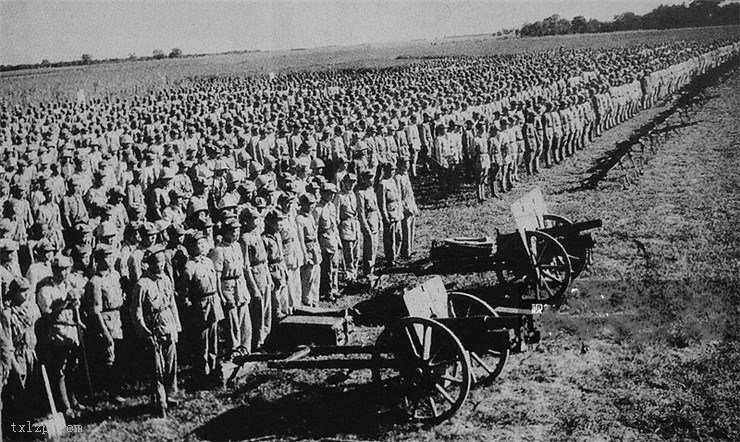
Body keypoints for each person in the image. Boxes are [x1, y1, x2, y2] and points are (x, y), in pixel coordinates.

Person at [130, 246, 181, 418]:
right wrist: (143, 331)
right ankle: (159, 402)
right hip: (153, 327)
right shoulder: (142, 284)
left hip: (168, 323)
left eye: (163, 261)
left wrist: (176, 325)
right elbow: (136, 311)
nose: (161, 265)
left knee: (170, 364)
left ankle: (170, 394)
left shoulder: (166, 279)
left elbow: (172, 303)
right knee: (156, 367)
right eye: (157, 262)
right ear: (149, 264)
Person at [36, 255, 85, 417]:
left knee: (73, 367)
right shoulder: (46, 290)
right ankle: (64, 406)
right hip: (57, 332)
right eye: (60, 269)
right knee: (60, 370)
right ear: (54, 270)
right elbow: (47, 315)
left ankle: (73, 399)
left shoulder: (68, 286)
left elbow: (75, 306)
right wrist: (64, 302)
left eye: (66, 269)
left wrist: (75, 302)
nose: (64, 273)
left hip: (72, 330)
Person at [83, 244, 125, 404]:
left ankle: (117, 388)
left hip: (117, 317)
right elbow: (95, 311)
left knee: (118, 355)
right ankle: (111, 392)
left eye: (112, 256)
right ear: (98, 260)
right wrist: (105, 331)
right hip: (105, 321)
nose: (111, 260)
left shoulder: (114, 275)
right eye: (107, 257)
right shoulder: (95, 282)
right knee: (109, 357)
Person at [181, 232, 224, 385]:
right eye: (197, 244)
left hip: (213, 302)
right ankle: (202, 373)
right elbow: (184, 293)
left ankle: (213, 369)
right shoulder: (189, 267)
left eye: (203, 244)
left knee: (214, 339)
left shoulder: (208, 262)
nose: (201, 247)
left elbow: (215, 282)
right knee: (202, 342)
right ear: (190, 247)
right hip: (200, 306)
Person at [209, 218, 251, 358]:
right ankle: (234, 351)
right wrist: (220, 295)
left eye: (238, 230)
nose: (236, 234)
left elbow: (242, 269)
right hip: (228, 287)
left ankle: (246, 348)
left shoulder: (238, 246)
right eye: (233, 231)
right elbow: (217, 275)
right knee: (232, 322)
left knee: (244, 320)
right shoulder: (219, 250)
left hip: (240, 285)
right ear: (226, 232)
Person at [239, 206, 272, 351]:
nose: (256, 221)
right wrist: (253, 287)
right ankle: (256, 343)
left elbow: (264, 260)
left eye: (257, 218)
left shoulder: (257, 235)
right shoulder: (245, 239)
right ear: (245, 221)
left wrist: (269, 279)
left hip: (263, 272)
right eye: (253, 219)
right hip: (255, 275)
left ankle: (264, 338)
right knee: (257, 312)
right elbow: (246, 266)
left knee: (266, 310)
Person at [315, 184, 340, 301]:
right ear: (322, 193)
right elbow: (315, 228)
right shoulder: (318, 209)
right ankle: (327, 291)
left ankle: (334, 288)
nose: (331, 196)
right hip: (323, 238)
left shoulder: (331, 206)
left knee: (335, 264)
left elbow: (334, 224)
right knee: (327, 267)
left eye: (333, 193)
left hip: (333, 237)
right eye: (329, 193)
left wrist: (337, 238)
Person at [295, 193, 321, 307]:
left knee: (316, 275)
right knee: (307, 278)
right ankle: (307, 301)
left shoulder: (310, 216)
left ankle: (315, 300)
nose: (311, 206)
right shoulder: (299, 219)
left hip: (314, 247)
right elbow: (300, 239)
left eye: (313, 203)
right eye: (309, 204)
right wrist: (304, 254)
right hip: (307, 248)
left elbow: (315, 233)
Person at [377, 163, 402, 266]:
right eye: (390, 170)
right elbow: (381, 202)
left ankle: (396, 255)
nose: (392, 172)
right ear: (385, 171)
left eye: (393, 170)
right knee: (390, 238)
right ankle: (390, 259)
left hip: (396, 212)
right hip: (390, 213)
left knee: (399, 236)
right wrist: (385, 216)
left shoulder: (392, 181)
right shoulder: (383, 184)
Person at [356, 170, 380, 279]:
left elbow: (376, 207)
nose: (372, 180)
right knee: (369, 249)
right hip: (368, 221)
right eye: (369, 178)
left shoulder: (371, 190)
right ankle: (368, 272)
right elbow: (361, 212)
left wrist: (380, 220)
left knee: (374, 247)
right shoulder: (361, 193)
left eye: (373, 177)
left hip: (375, 220)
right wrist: (365, 228)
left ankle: (372, 270)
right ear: (364, 179)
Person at [337, 173, 359, 282]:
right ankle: (349, 276)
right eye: (349, 182)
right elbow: (336, 215)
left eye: (353, 182)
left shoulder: (353, 195)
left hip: (354, 225)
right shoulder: (339, 196)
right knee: (348, 252)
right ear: (344, 182)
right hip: (345, 226)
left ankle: (354, 273)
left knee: (356, 252)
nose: (351, 185)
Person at [395, 158, 419, 259]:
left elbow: (410, 193)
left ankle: (410, 249)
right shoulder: (397, 177)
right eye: (405, 163)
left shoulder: (405, 175)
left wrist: (414, 206)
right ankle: (405, 252)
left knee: (411, 228)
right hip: (404, 206)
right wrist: (404, 207)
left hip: (410, 204)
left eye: (408, 163)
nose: (407, 165)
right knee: (406, 229)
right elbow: (398, 195)